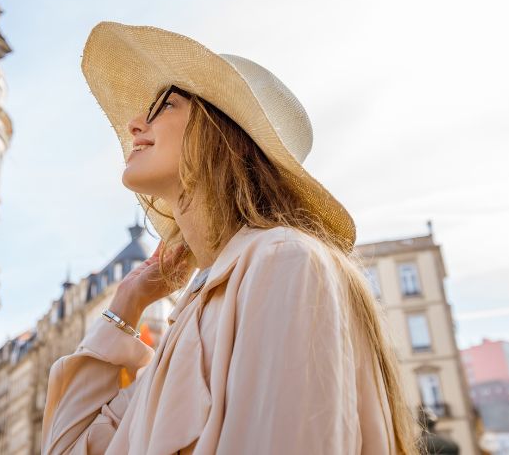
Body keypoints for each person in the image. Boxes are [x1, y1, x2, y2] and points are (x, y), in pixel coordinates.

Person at [41, 22, 417, 454]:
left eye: (164, 104)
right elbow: (68, 448)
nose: (134, 124)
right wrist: (127, 302)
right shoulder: (192, 317)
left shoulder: (284, 261)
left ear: (222, 133)